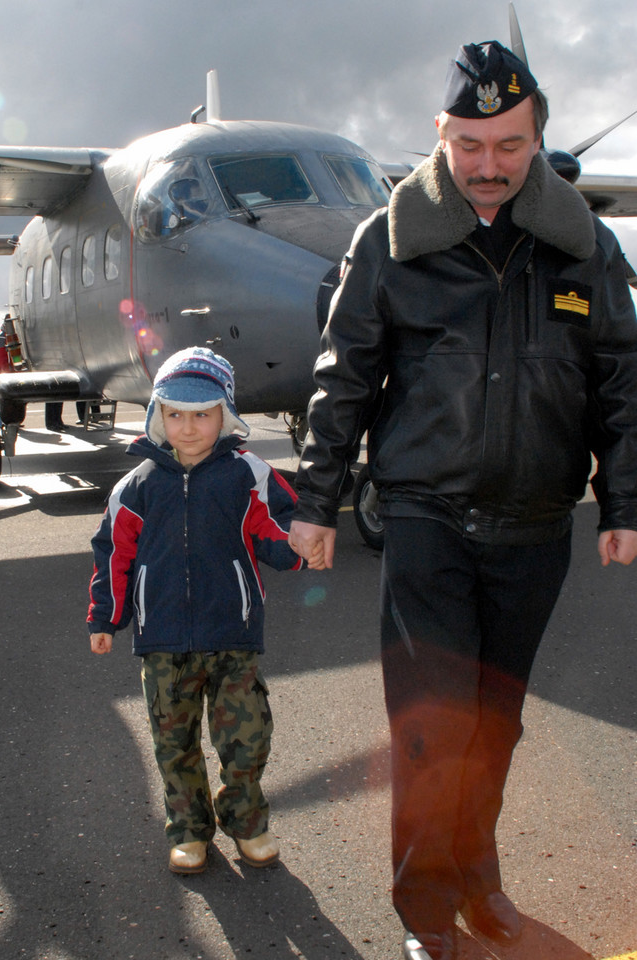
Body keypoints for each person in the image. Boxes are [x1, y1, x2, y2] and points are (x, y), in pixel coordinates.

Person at [288, 39, 637, 960]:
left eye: (510, 146)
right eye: (469, 144)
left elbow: (619, 379)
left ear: (537, 138)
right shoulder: (390, 242)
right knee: (434, 724)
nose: (488, 168)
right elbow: (344, 377)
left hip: (533, 527)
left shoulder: (582, 247)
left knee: (495, 723)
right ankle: (424, 911)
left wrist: (626, 502)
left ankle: (480, 884)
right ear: (439, 134)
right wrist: (319, 502)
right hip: (425, 518)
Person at [87, 347, 323, 876]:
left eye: (202, 414)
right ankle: (189, 831)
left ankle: (246, 822)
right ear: (157, 416)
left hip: (232, 635)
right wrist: (106, 617)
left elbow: (279, 527)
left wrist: (299, 547)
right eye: (175, 413)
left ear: (225, 416)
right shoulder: (137, 486)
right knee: (174, 744)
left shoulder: (247, 474)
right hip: (163, 642)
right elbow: (113, 553)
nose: (188, 427)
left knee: (246, 738)